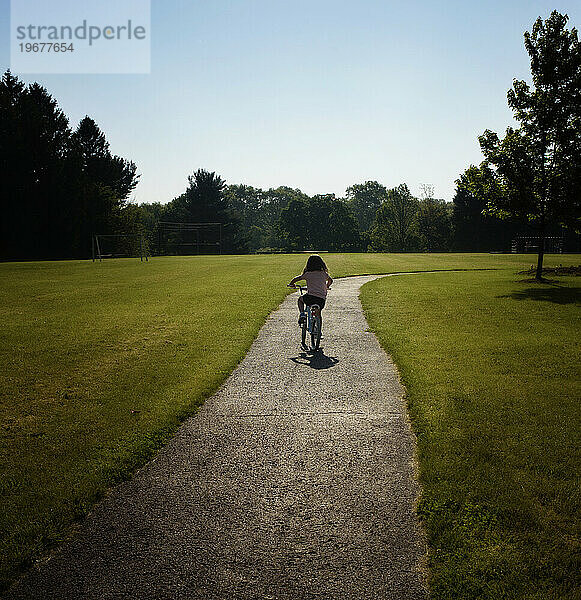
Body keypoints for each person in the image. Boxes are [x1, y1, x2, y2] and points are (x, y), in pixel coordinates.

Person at [288, 254, 333, 326]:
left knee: (300, 299)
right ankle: (319, 332)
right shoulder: (324, 274)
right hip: (321, 300)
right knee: (318, 314)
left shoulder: (308, 274)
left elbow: (296, 279)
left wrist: (291, 284)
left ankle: (302, 314)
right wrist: (326, 286)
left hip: (310, 298)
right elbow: (330, 280)